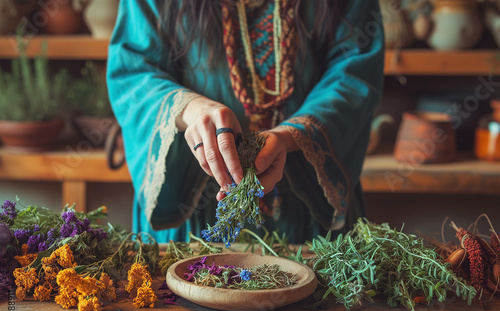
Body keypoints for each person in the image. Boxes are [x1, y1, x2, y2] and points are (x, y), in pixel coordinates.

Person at [107, 0, 384, 244]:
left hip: (308, 213)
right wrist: (191, 108)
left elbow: (354, 71)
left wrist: (289, 136)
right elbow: (133, 70)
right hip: (194, 211)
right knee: (188, 297)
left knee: (317, 299)